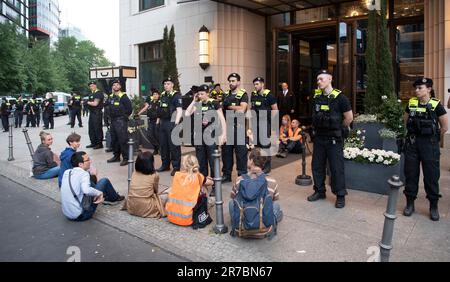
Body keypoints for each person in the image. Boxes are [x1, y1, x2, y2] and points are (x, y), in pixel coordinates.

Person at [403, 78, 448, 221]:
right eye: (415, 88)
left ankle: (433, 206)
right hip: (413, 143)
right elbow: (405, 121)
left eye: (420, 88)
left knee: (431, 175)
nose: (416, 90)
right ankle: (410, 203)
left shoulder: (436, 105)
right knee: (411, 173)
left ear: (429, 89)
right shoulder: (411, 103)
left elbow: (445, 126)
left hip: (430, 144)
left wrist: (433, 138)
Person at [308, 70, 353, 209]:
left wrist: (339, 128)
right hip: (320, 138)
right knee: (317, 166)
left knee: (336, 168)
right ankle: (320, 191)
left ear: (330, 79)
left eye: (321, 79)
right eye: (317, 79)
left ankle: (340, 195)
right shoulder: (316, 97)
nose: (319, 82)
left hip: (334, 138)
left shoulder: (341, 98)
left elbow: (349, 118)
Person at [229, 148, 281, 237]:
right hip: (264, 229)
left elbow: (233, 197)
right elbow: (274, 199)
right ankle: (268, 223)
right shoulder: (272, 181)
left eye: (248, 158)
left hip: (242, 228)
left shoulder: (239, 180)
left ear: (251, 161)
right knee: (276, 206)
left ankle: (238, 222)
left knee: (231, 203)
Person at [60, 152, 125, 222]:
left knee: (90, 183)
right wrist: (99, 193)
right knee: (104, 181)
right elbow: (86, 190)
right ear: (80, 164)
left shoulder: (67, 172)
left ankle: (106, 196)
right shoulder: (84, 174)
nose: (90, 161)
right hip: (82, 215)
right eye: (88, 160)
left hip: (67, 214)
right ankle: (114, 198)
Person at [185, 84, 227, 180]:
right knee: (201, 161)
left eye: (202, 94)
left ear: (208, 93)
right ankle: (203, 183)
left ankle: (214, 185)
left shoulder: (214, 103)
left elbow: (222, 119)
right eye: (199, 94)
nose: (200, 96)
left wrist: (224, 134)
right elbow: (187, 114)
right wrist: (193, 101)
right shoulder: (198, 104)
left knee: (213, 161)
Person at [165, 155, 214, 227]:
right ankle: (207, 204)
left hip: (171, 216)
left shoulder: (177, 175)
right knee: (203, 187)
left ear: (184, 165)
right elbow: (211, 183)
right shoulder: (198, 176)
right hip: (187, 219)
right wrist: (205, 179)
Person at [123, 151, 168, 219]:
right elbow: (155, 191)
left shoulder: (134, 173)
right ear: (151, 163)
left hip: (131, 206)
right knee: (168, 193)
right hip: (147, 208)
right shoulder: (154, 175)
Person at [222, 73, 249, 183]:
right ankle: (226, 175)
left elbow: (242, 109)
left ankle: (242, 176)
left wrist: (228, 106)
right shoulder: (226, 94)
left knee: (241, 154)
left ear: (238, 82)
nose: (231, 83)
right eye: (230, 81)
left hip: (239, 128)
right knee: (226, 153)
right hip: (227, 127)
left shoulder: (243, 94)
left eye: (233, 81)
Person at [250, 77, 278, 174]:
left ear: (262, 84)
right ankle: (258, 165)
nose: (255, 86)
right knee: (257, 146)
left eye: (257, 84)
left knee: (265, 146)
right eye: (254, 84)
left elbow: (275, 109)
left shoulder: (269, 95)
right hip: (256, 123)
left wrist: (274, 126)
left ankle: (267, 167)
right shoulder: (253, 95)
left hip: (265, 123)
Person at [157, 77, 183, 176]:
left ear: (172, 85)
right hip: (163, 122)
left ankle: (176, 167)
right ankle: (165, 165)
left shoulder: (176, 96)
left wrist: (175, 124)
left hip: (172, 122)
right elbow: (160, 109)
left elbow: (179, 110)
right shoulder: (163, 95)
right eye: (165, 84)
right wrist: (158, 121)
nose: (166, 86)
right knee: (163, 145)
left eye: (168, 83)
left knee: (174, 146)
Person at [106, 79, 133, 166]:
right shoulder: (111, 96)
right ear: (112, 87)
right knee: (114, 139)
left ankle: (126, 158)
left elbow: (129, 109)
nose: (116, 86)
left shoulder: (123, 97)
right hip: (113, 121)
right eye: (114, 85)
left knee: (123, 140)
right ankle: (116, 156)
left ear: (120, 86)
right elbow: (107, 106)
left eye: (117, 85)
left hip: (121, 121)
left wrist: (124, 118)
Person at [137, 89, 161, 155]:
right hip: (151, 121)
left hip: (157, 121)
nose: (155, 96)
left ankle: (159, 149)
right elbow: (145, 107)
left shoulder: (160, 102)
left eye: (156, 94)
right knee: (149, 135)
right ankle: (156, 147)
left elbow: (160, 112)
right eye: (154, 94)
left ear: (159, 95)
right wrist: (138, 113)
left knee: (157, 135)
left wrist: (157, 121)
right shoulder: (151, 102)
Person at [86, 81, 104, 150]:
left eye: (93, 85)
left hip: (97, 113)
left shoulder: (98, 93)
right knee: (91, 128)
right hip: (92, 112)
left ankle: (99, 143)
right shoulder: (91, 94)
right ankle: (93, 142)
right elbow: (91, 103)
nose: (91, 87)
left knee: (97, 128)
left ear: (96, 86)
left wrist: (87, 102)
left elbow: (95, 104)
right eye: (90, 86)